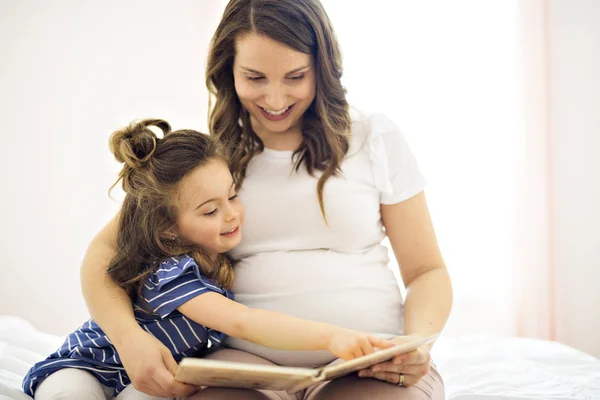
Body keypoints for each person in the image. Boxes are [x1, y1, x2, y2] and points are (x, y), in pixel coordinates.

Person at [80, 1, 453, 399]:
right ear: (229, 70)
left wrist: (417, 345)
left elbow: (426, 271)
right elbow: (104, 253)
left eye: (295, 76)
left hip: (368, 362)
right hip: (244, 366)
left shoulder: (373, 138)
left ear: (322, 68)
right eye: (255, 77)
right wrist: (127, 339)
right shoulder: (210, 159)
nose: (275, 99)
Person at [22, 119, 395, 400]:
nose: (231, 215)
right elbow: (243, 323)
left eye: (232, 197)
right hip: (86, 367)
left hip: (148, 378)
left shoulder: (211, 272)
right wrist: (332, 336)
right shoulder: (171, 273)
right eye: (209, 211)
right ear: (168, 228)